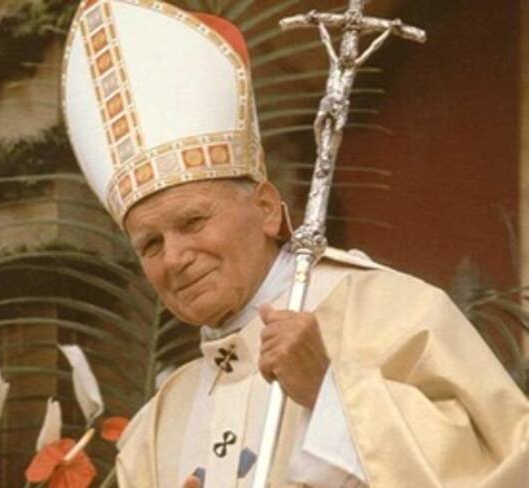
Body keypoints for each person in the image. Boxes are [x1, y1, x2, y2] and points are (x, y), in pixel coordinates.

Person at [62, 1, 529, 486]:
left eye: (194, 221)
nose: (175, 257)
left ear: (266, 207)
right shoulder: (160, 426)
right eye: (151, 244)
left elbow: (506, 464)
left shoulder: (388, 313)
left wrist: (331, 396)